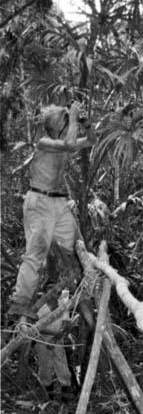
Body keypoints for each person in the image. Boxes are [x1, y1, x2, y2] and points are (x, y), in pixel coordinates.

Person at [7, 102, 97, 321]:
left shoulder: (63, 143)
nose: (69, 127)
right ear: (58, 126)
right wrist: (74, 115)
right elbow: (68, 143)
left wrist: (85, 122)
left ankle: (79, 284)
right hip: (39, 201)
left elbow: (92, 140)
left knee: (76, 244)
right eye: (66, 123)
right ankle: (20, 303)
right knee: (36, 253)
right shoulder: (45, 142)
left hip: (58, 202)